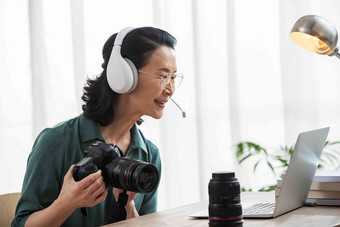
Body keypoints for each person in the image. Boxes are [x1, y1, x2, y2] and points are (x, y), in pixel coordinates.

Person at [12, 26, 183, 227]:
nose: (170, 90)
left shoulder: (149, 155)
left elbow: (146, 223)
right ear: (124, 76)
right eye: (162, 76)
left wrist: (128, 207)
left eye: (173, 77)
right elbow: (20, 224)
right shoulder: (57, 142)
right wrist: (67, 203)